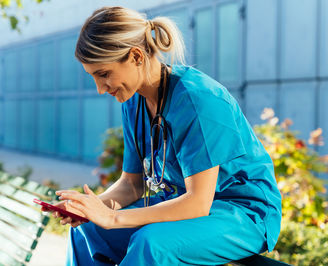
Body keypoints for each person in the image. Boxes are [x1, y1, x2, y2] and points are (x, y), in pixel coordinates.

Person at [53, 6, 282, 266]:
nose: (99, 88)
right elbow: (132, 184)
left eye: (104, 74)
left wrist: (114, 218)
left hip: (241, 213)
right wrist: (90, 208)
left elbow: (197, 204)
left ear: (136, 56)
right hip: (179, 204)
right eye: (93, 77)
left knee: (151, 243)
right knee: (87, 231)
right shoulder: (133, 102)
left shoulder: (198, 100)